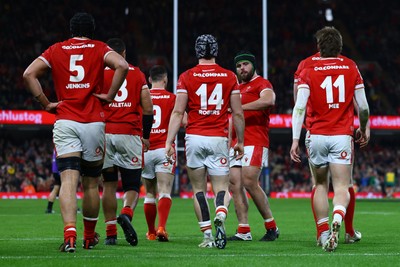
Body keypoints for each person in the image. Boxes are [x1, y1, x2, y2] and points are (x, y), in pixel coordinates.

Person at [23, 12, 129, 253]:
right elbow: (122, 65)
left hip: (66, 120)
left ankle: (69, 235)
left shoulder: (56, 49)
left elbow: (28, 74)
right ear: (92, 30)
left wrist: (45, 102)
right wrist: (110, 95)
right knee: (91, 183)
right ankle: (89, 237)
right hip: (93, 122)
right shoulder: (100, 48)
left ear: (71, 30)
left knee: (68, 181)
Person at [290, 26, 370, 252]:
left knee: (320, 184)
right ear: (340, 46)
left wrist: (295, 139)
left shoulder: (307, 69)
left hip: (315, 135)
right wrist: (363, 128)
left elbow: (299, 107)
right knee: (343, 186)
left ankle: (324, 233)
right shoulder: (351, 66)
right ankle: (339, 218)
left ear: (319, 46)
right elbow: (363, 107)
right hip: (341, 136)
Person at [165, 34, 245, 249]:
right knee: (222, 189)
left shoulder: (186, 77)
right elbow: (237, 114)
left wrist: (169, 142)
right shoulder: (229, 77)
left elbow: (177, 112)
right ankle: (221, 212)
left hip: (194, 138)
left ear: (197, 51)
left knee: (198, 190)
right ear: (216, 51)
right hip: (218, 138)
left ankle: (208, 235)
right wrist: (240, 141)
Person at [101, 38, 153, 246]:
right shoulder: (136, 73)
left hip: (104, 134)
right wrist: (146, 136)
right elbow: (148, 108)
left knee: (109, 185)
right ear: (123, 53)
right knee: (132, 185)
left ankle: (110, 233)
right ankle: (126, 213)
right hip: (129, 133)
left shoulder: (98, 72)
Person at [228, 51, 279, 242]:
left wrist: (240, 108)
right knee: (235, 185)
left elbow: (269, 100)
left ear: (253, 65)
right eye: (239, 65)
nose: (242, 68)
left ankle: (271, 226)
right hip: (235, 143)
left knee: (249, 181)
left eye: (245, 64)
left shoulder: (262, 84)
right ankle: (243, 230)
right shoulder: (235, 88)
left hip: (255, 139)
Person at [142, 65, 186, 242]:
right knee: (165, 191)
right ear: (166, 80)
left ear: (149, 80)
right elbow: (184, 120)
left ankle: (151, 232)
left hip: (145, 150)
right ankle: (162, 228)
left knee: (150, 193)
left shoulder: (142, 98)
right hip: (164, 149)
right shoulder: (173, 98)